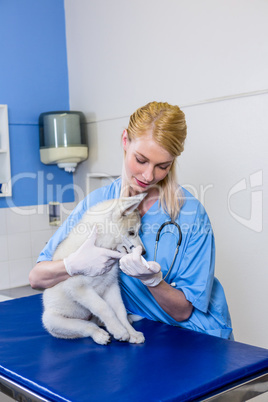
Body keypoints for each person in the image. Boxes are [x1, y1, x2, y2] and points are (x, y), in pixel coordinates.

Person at [29, 101, 233, 340]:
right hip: (141, 330)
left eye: (162, 166)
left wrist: (154, 281)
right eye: (141, 159)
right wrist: (72, 265)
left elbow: (182, 311)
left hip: (195, 336)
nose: (149, 176)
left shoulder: (190, 213)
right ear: (125, 140)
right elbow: (37, 278)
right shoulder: (99, 204)